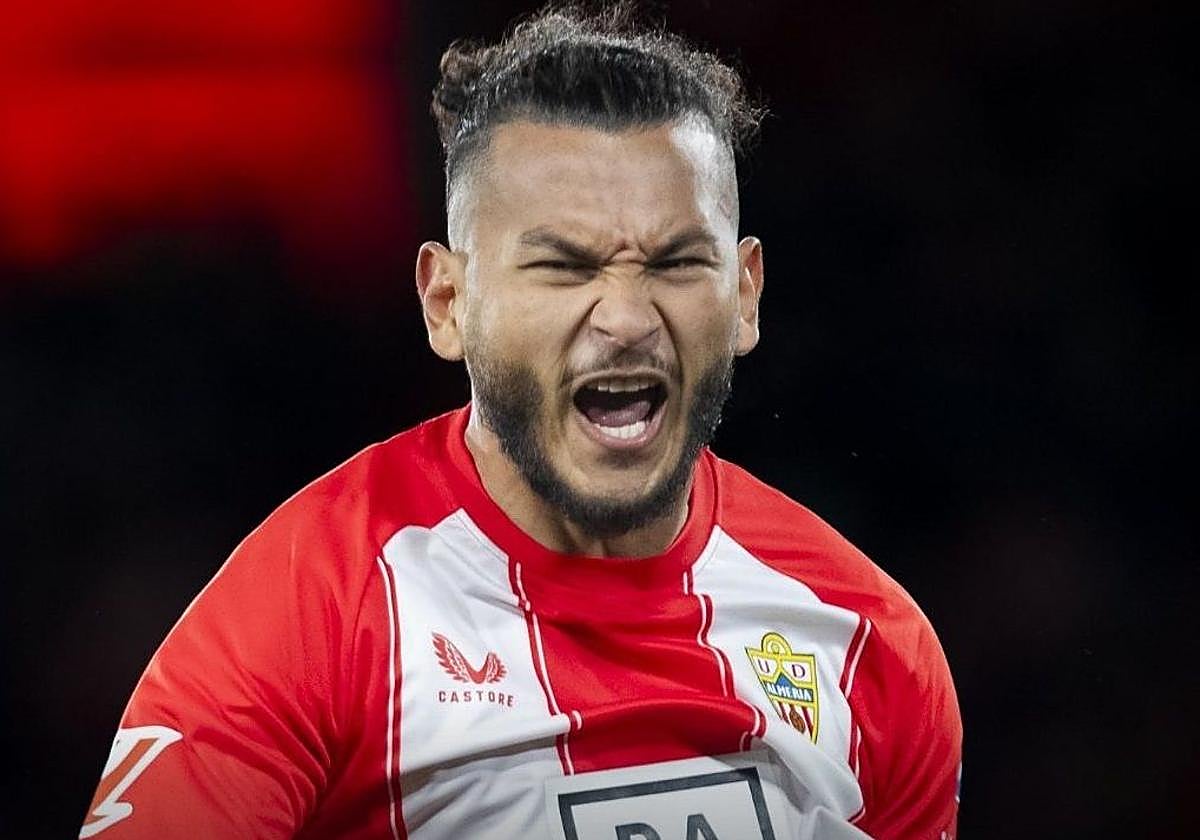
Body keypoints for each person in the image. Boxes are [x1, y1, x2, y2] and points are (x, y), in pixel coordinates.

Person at [81, 6, 961, 839]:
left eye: (676, 261)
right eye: (563, 266)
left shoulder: (868, 642)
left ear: (744, 293)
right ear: (448, 302)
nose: (625, 316)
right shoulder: (314, 611)